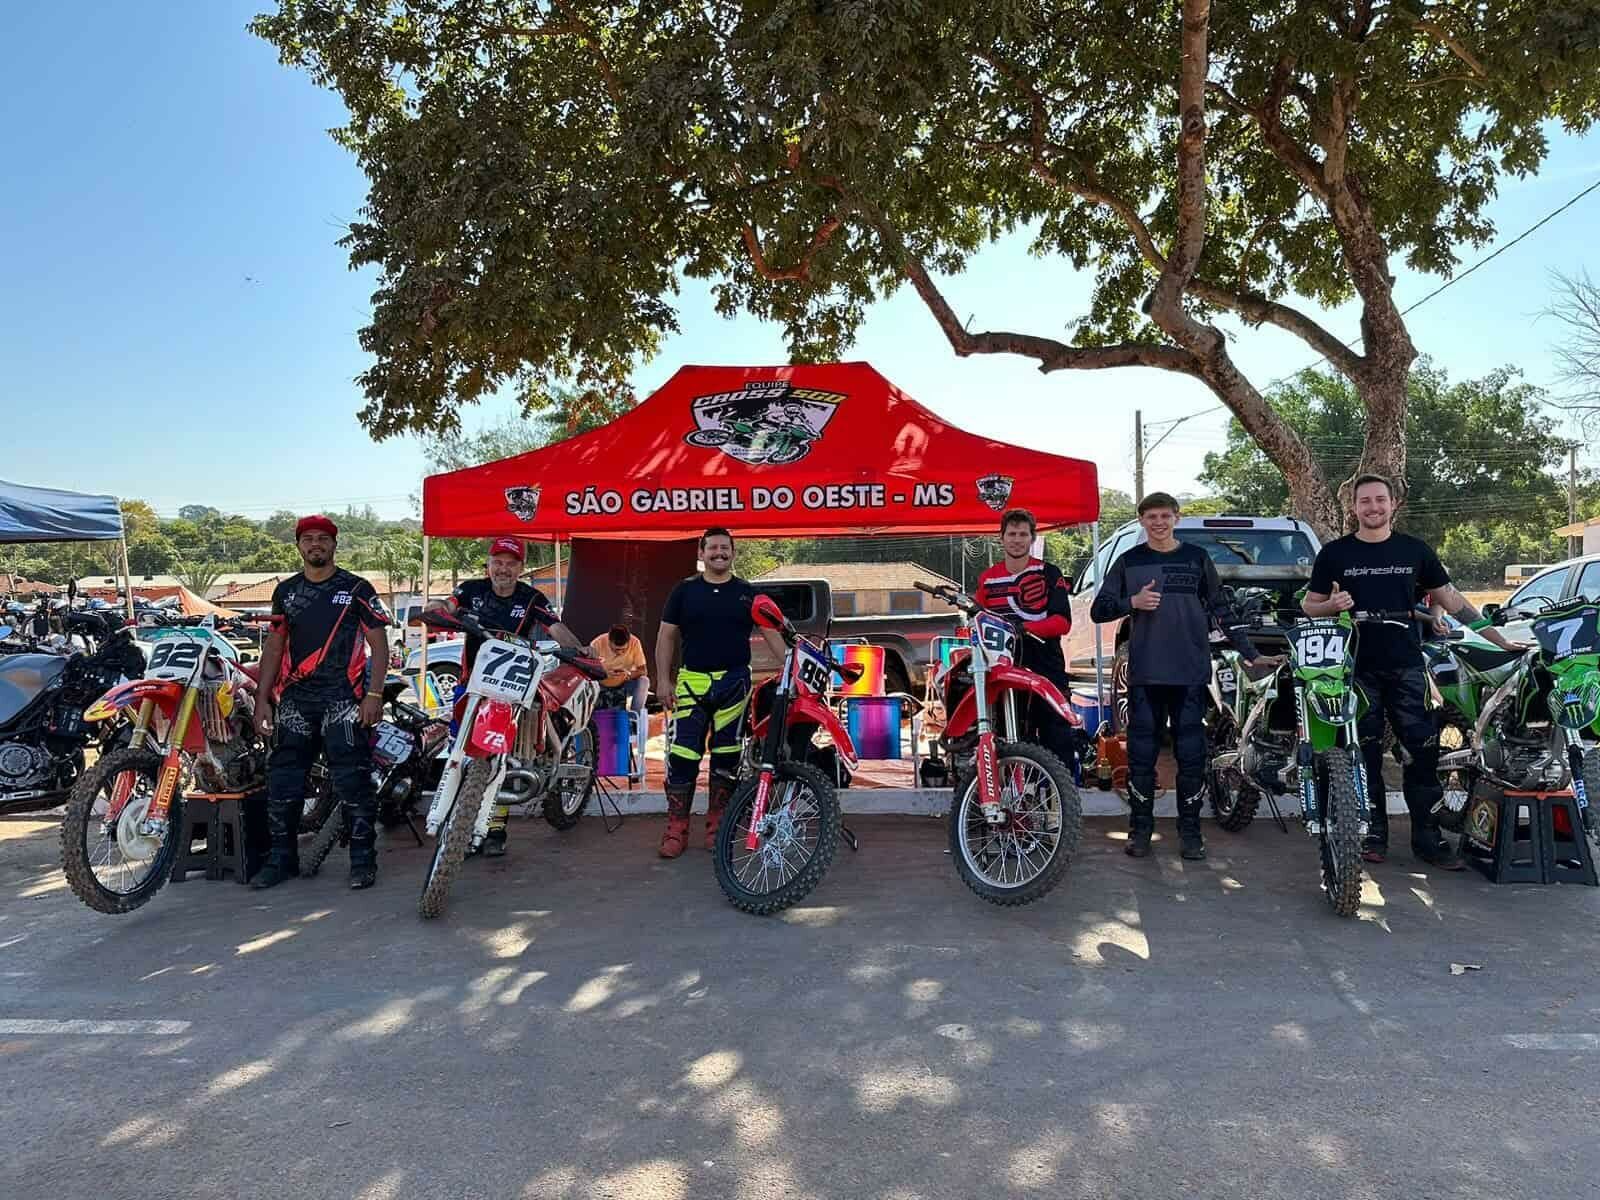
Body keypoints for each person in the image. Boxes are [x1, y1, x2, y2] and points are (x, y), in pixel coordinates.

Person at [1304, 474, 1525, 868]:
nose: (1373, 507)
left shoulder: (1415, 550)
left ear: (1393, 505)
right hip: (1355, 670)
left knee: (1423, 754)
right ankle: (1372, 836)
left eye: (1380, 500)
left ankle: (1428, 838)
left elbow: (1454, 602)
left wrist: (1498, 640)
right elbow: (1309, 606)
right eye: (1365, 501)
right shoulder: (1334, 554)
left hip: (1408, 667)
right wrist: (1332, 605)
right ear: (1353, 508)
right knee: (1363, 755)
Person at [1091, 492, 1276, 861]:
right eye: (1151, 517)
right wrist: (1133, 603)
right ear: (1142, 521)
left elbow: (1222, 609)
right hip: (1145, 675)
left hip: (1191, 673)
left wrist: (1252, 654)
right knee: (1142, 758)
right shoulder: (1130, 561)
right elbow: (1099, 610)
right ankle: (1140, 830)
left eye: (1165, 516)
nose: (1158, 522)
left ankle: (1190, 833)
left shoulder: (1196, 558)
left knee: (1191, 756)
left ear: (1176, 518)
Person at [252, 515, 391, 890]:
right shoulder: (286, 591)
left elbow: (379, 645)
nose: (316, 545)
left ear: (334, 545)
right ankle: (282, 859)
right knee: (283, 782)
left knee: (354, 783)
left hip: (344, 701)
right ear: (298, 546)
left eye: (323, 539)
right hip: (296, 701)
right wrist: (262, 699)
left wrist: (374, 695)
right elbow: (275, 645)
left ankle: (363, 861)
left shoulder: (357, 588)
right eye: (308, 539)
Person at [427, 536, 581, 856]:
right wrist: (437, 609)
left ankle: (496, 828)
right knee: (461, 753)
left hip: (511, 691)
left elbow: (555, 627)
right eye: (498, 562)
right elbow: (448, 606)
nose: (503, 569)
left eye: (511, 563)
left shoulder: (531, 597)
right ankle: (459, 824)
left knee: (506, 757)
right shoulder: (471, 591)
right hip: (470, 687)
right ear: (489, 564)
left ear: (521, 568)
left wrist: (579, 648)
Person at [654, 527, 787, 858]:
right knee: (683, 756)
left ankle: (718, 826)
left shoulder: (747, 593)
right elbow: (665, 637)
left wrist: (790, 667)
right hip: (691, 683)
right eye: (711, 547)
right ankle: (676, 828)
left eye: (724, 548)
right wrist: (663, 680)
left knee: (727, 757)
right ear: (701, 553)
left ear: (734, 554)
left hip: (735, 684)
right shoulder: (683, 591)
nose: (718, 553)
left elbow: (772, 634)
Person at [973, 508, 1080, 772]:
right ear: (1001, 538)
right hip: (1004, 665)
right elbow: (978, 619)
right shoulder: (988, 578)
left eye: (1023, 534)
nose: (1017, 539)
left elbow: (1062, 622)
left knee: (1056, 731)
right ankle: (1020, 793)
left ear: (1032, 538)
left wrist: (1024, 628)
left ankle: (1062, 800)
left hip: (1046, 664)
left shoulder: (1048, 572)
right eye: (1012, 534)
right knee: (1013, 732)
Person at [589, 622, 650, 782]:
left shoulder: (635, 643)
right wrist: (603, 673)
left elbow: (643, 670)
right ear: (609, 641)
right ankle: (588, 718)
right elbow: (587, 668)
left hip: (624, 681)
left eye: (623, 650)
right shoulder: (597, 643)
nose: (619, 653)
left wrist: (628, 674)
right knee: (587, 683)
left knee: (644, 681)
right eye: (616, 650)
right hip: (601, 683)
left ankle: (632, 719)